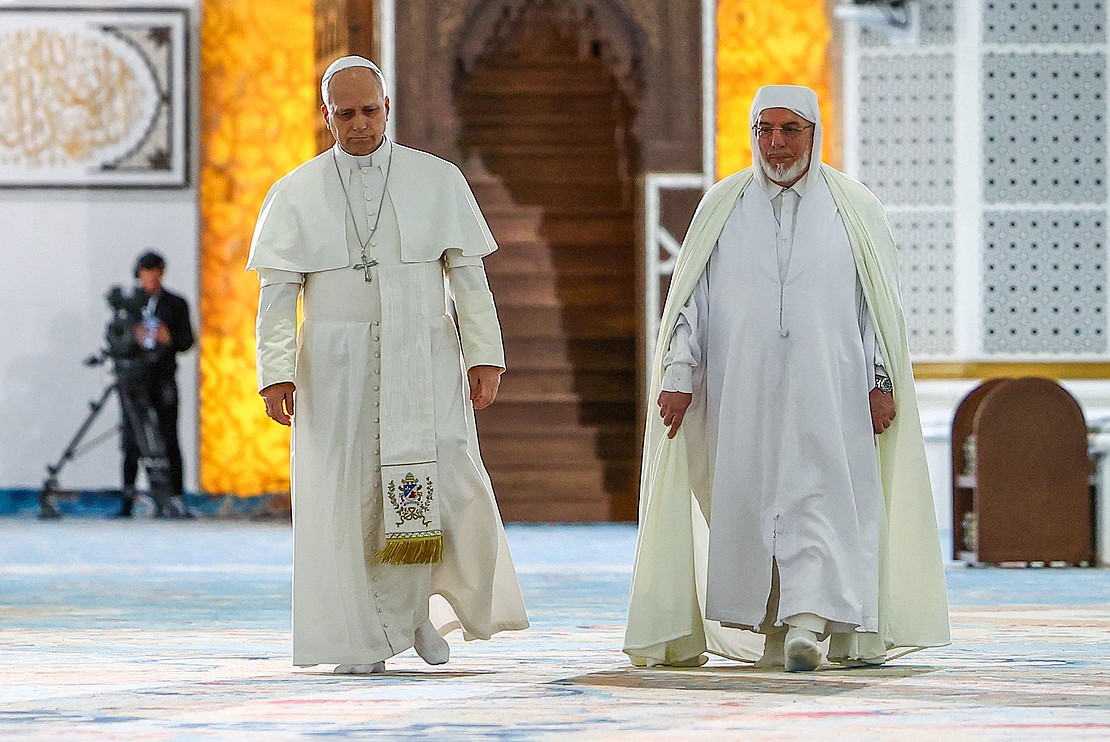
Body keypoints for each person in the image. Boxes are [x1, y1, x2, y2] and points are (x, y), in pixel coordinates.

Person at [623, 85, 949, 672]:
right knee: (750, 500)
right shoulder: (721, 205)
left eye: (789, 130)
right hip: (739, 390)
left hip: (833, 389)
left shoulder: (855, 207)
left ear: (813, 133)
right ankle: (777, 625)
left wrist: (881, 379)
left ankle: (811, 622)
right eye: (765, 131)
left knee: (821, 497)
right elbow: (690, 301)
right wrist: (677, 373)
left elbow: (877, 304)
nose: (777, 144)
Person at [247, 55, 528, 674]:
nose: (359, 124)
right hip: (335, 363)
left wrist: (485, 355)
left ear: (387, 108)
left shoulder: (437, 180)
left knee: (437, 483)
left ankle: (413, 615)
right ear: (326, 117)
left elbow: (469, 277)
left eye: (369, 110)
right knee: (349, 497)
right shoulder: (295, 192)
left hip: (421, 352)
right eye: (344, 114)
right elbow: (276, 295)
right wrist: (276, 371)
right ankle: (364, 634)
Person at [118, 251, 195, 517]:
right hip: (133, 380)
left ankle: (176, 498)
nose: (149, 277)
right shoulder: (130, 304)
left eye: (153, 271)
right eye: (144, 272)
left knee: (168, 436)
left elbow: (187, 342)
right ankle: (127, 498)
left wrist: (168, 338)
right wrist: (132, 336)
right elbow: (118, 339)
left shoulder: (175, 304)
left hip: (162, 377)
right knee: (131, 440)